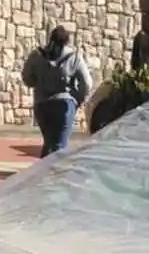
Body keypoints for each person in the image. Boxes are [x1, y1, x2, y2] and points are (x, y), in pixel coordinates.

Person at [21, 26, 94, 157]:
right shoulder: (74, 57)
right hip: (64, 105)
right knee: (59, 147)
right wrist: (77, 98)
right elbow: (87, 83)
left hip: (42, 105)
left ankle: (41, 173)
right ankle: (53, 175)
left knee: (49, 144)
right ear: (67, 40)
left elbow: (26, 77)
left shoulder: (37, 55)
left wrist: (38, 83)